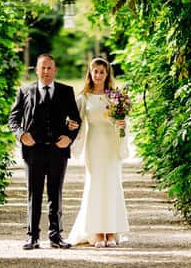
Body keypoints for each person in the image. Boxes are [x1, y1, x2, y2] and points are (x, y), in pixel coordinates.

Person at [7, 53, 82, 249]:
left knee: (55, 193)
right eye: (43, 68)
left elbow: (76, 120)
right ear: (37, 70)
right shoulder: (25, 91)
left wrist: (69, 137)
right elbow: (13, 119)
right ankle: (32, 236)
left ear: (55, 70)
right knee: (34, 193)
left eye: (50, 68)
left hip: (58, 150)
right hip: (33, 151)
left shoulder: (66, 91)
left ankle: (55, 235)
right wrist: (21, 134)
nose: (46, 71)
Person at [67, 57, 130, 247]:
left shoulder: (115, 97)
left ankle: (111, 231)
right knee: (95, 185)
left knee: (111, 185)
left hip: (111, 144)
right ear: (90, 73)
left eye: (102, 72)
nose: (99, 75)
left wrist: (122, 124)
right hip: (94, 145)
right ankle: (96, 232)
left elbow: (124, 122)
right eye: (95, 71)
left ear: (107, 74)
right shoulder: (84, 97)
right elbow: (75, 123)